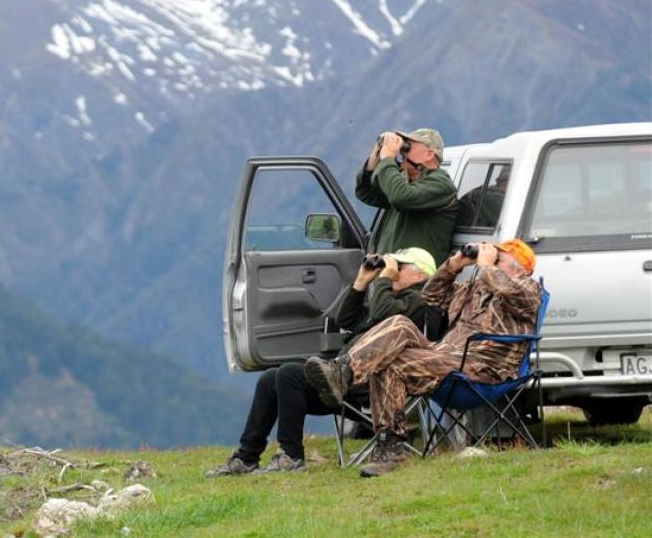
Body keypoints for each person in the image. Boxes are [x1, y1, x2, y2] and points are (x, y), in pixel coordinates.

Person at [304, 239, 542, 478]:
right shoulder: (474, 289)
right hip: (447, 356)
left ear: (519, 268)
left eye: (498, 258)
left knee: (394, 363)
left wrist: (487, 267)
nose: (490, 260)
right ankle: (347, 378)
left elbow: (509, 291)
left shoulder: (529, 288)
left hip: (482, 369)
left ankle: (385, 438)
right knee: (400, 324)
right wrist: (455, 264)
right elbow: (431, 295)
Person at [205, 248, 437, 477]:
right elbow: (346, 319)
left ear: (421, 275)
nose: (393, 271)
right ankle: (247, 457)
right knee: (270, 379)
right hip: (342, 381)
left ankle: (291, 456)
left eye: (400, 267)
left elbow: (385, 312)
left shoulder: (418, 301)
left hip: (370, 386)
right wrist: (361, 282)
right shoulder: (389, 300)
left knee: (288, 375)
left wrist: (385, 278)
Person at [356, 128, 458, 268]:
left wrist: (387, 159)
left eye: (407, 147)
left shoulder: (441, 185)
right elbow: (365, 191)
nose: (402, 152)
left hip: (415, 281)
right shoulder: (404, 184)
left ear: (429, 154)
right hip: (391, 277)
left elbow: (402, 197)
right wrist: (376, 156)